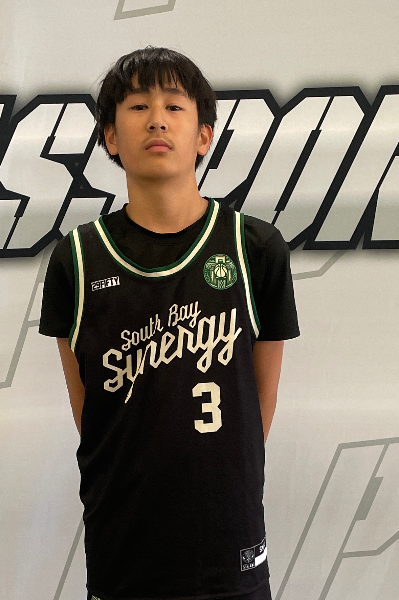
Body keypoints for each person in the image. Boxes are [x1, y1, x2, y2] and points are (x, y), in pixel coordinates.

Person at [39, 46, 300, 600]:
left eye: (174, 106)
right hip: (124, 550)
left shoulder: (256, 248)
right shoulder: (77, 259)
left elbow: (256, 408)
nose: (156, 119)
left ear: (204, 136)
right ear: (111, 137)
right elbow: (93, 415)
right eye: (138, 106)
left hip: (229, 546)